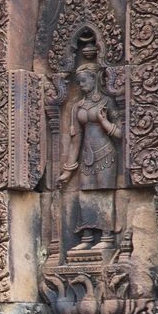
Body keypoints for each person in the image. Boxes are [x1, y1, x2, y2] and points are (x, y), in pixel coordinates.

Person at [57, 54, 122, 253]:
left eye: (85, 80)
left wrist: (104, 123)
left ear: (95, 79)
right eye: (79, 82)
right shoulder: (78, 106)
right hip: (87, 156)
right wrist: (68, 169)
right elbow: (75, 139)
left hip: (106, 153)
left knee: (103, 192)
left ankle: (107, 236)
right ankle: (86, 236)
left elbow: (120, 133)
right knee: (85, 194)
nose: (81, 85)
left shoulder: (106, 103)